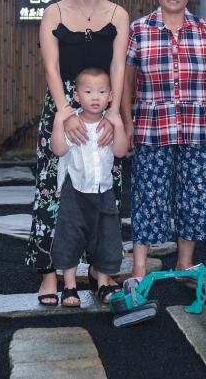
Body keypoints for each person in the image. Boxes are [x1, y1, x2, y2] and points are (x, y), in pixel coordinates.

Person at [26, 0, 130, 306]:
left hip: (103, 106)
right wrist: (65, 112)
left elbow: (118, 67)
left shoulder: (118, 14)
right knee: (53, 190)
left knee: (105, 188)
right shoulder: (53, 13)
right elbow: (51, 68)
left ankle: (102, 272)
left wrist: (114, 113)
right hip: (62, 109)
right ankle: (49, 273)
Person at [121, 0, 206, 286]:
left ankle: (185, 264)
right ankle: (139, 269)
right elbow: (126, 82)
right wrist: (127, 121)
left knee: (194, 195)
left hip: (198, 128)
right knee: (148, 195)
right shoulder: (139, 30)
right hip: (152, 128)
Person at [51, 67, 130, 307]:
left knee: (106, 237)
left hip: (103, 192)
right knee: (70, 236)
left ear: (110, 96)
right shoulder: (73, 123)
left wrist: (119, 124)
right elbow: (59, 150)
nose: (95, 97)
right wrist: (59, 121)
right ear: (76, 96)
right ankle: (69, 286)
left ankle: (103, 283)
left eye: (101, 92)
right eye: (88, 92)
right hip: (75, 192)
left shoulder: (109, 124)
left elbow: (120, 152)